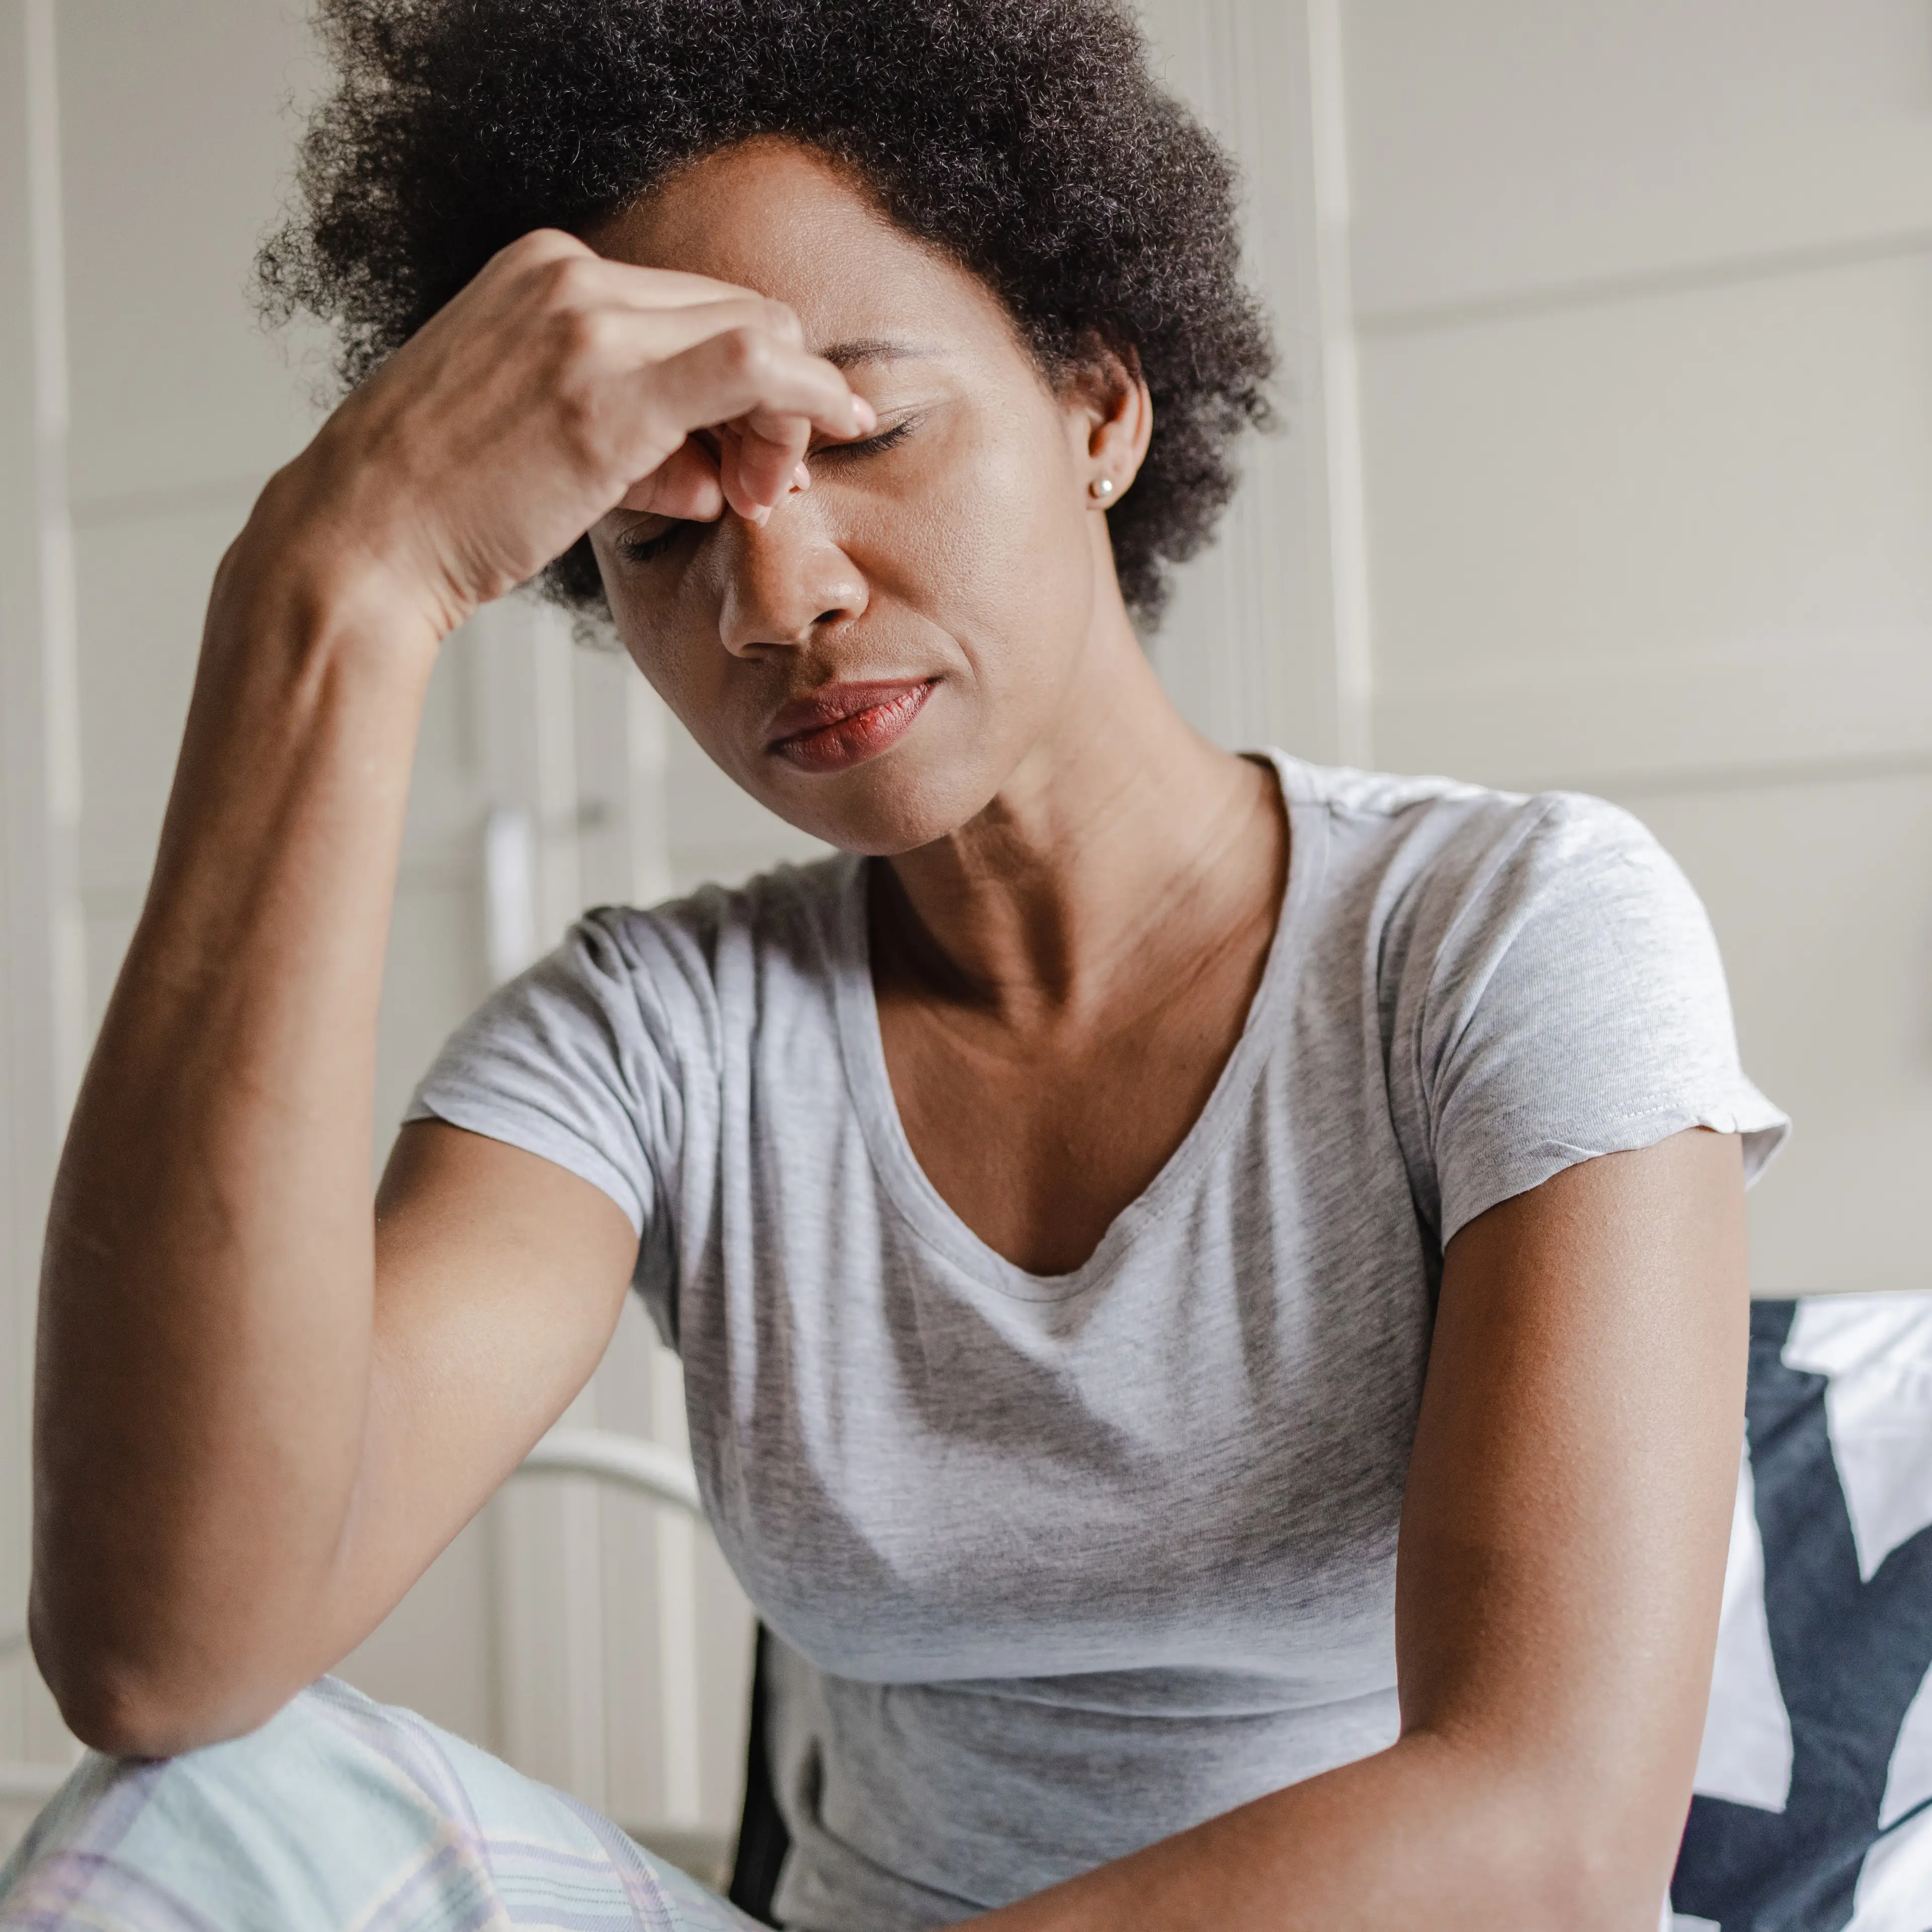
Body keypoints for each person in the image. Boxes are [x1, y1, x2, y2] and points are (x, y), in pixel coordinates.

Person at [5, 2, 1787, 1928]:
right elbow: (169, 1657)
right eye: (660, 533)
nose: (780, 600)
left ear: (1099, 406)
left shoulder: (1510, 931)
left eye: (863, 435)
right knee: (182, 1819)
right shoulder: (655, 1041)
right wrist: (331, 581)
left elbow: (1552, 1835)